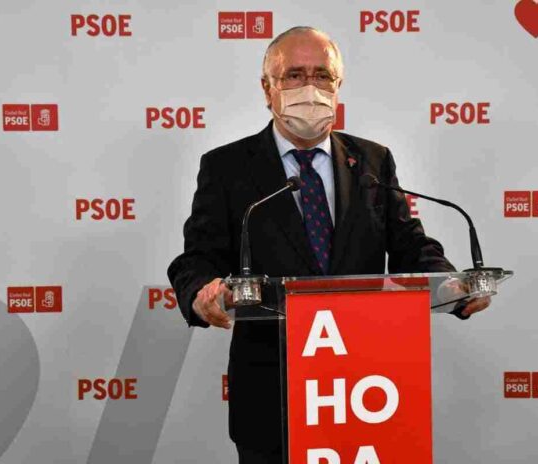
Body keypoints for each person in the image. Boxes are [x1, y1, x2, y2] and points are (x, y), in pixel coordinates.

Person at [167, 26, 490, 464]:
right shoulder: (227, 167)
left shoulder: (372, 160)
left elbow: (410, 243)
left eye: (322, 75)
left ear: (338, 86)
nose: (310, 88)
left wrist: (452, 285)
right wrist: (201, 292)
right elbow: (198, 258)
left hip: (366, 390)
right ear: (267, 88)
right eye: (294, 75)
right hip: (272, 394)